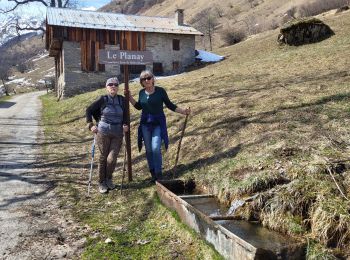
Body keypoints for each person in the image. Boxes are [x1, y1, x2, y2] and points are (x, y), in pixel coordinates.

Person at [127, 70, 190, 182]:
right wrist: (130, 97)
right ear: (141, 82)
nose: (147, 80)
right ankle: (153, 174)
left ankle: (159, 174)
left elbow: (169, 105)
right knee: (149, 150)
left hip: (158, 123)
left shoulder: (160, 91)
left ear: (153, 79)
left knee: (156, 148)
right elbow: (138, 107)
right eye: (144, 79)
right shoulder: (141, 93)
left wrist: (183, 111)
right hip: (145, 124)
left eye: (149, 77)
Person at [86, 77, 128, 194]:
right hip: (103, 132)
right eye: (110, 84)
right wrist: (91, 125)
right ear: (107, 87)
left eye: (115, 84)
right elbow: (88, 110)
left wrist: (125, 124)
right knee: (103, 157)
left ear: (118, 87)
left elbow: (125, 114)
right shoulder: (103, 99)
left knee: (112, 158)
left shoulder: (122, 100)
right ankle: (101, 182)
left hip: (118, 133)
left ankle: (108, 178)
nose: (113, 86)